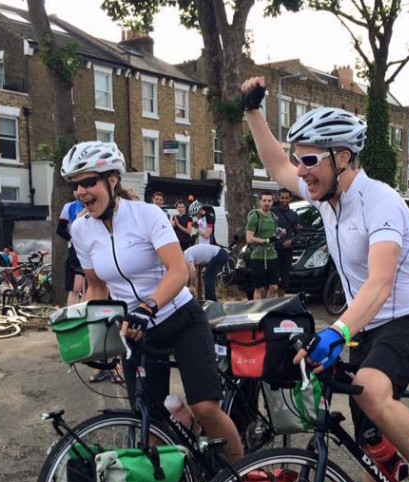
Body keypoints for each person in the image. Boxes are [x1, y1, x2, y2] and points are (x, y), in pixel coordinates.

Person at [241, 77, 409, 482]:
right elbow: (275, 166)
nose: (301, 170)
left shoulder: (382, 202)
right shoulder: (325, 197)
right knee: (373, 443)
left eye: (310, 159)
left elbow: (380, 283)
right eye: (301, 159)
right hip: (363, 327)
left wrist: (337, 332)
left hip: (405, 320)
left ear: (343, 158)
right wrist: (253, 112)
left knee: (371, 391)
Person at [61, 141, 242, 464]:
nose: (80, 192)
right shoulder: (81, 229)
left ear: (112, 180)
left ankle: (241, 476)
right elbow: (97, 286)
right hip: (136, 330)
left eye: (88, 182)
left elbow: (178, 271)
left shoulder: (146, 215)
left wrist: (148, 307)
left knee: (205, 407)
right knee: (149, 418)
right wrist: (92, 335)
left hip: (179, 317)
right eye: (75, 185)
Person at [245, 191, 279, 300]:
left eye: (269, 201)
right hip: (258, 257)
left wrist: (280, 233)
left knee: (274, 287)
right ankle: (258, 309)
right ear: (260, 202)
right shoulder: (255, 217)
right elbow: (249, 238)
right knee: (259, 288)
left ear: (272, 202)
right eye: (264, 200)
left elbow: (274, 235)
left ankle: (269, 309)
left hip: (272, 256)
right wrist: (265, 241)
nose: (267, 203)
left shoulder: (273, 217)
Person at [270, 188, 300, 295]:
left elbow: (298, 233)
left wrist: (291, 241)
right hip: (272, 251)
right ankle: (269, 303)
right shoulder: (272, 212)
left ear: (290, 199)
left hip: (287, 252)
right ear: (278, 198)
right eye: (282, 198)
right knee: (272, 282)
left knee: (283, 282)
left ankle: (281, 302)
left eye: (286, 198)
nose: (284, 200)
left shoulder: (294, 215)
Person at [57, 199, 86, 305]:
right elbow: (60, 230)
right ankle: (72, 311)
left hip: (93, 248)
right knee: (76, 287)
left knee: (90, 285)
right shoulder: (70, 206)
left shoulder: (97, 204)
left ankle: (87, 309)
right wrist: (72, 239)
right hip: (75, 250)